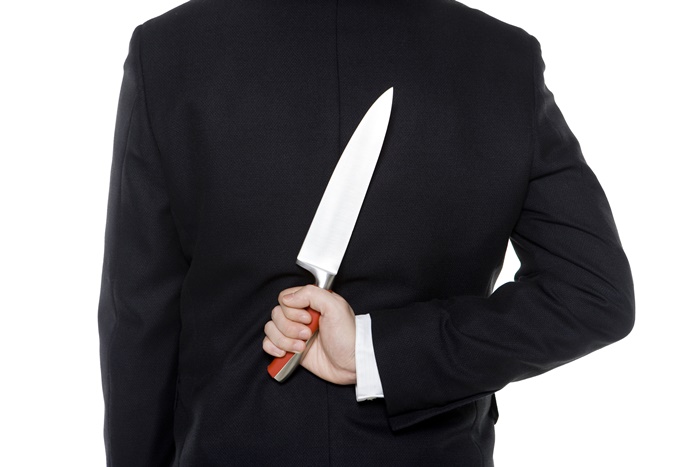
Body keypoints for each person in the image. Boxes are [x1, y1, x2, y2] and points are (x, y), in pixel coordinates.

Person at [97, 0, 635, 465]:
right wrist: (384, 354)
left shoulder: (170, 50)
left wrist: (367, 351)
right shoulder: (501, 58)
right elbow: (591, 294)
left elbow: (138, 319)